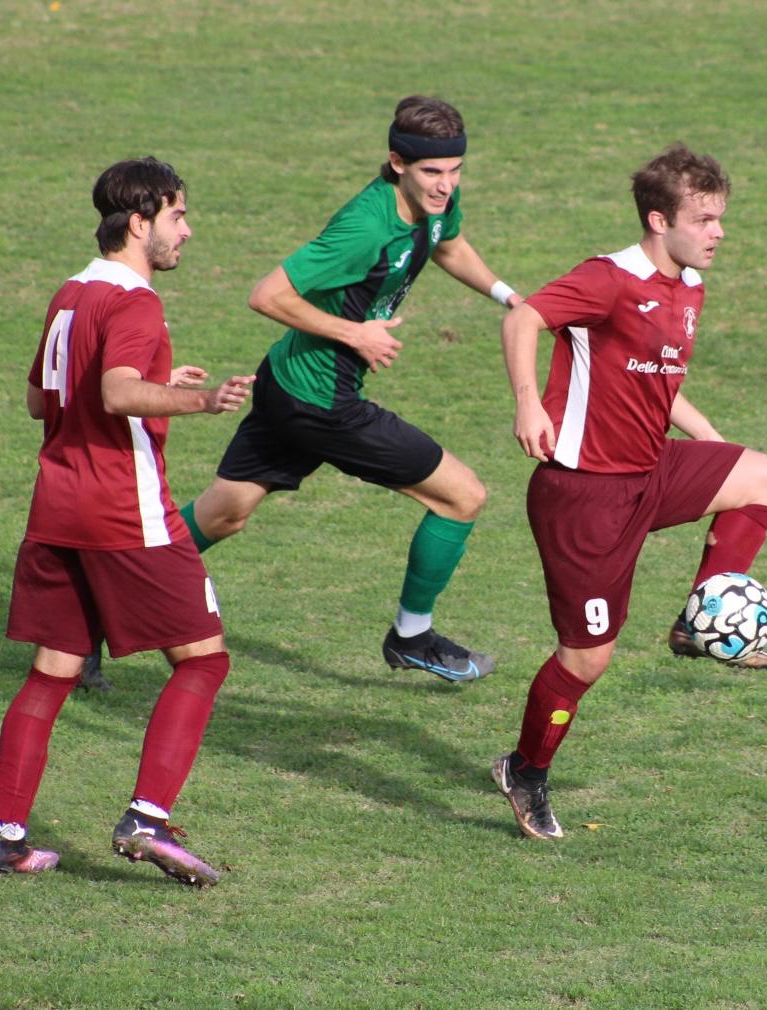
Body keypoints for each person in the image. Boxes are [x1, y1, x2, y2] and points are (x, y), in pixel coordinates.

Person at [491, 144, 767, 839]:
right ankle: (525, 769)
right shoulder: (609, 279)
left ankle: (698, 619)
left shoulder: (688, 286)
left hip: (646, 471)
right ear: (660, 219)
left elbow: (659, 376)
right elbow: (523, 318)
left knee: (761, 475)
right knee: (587, 657)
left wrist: (709, 438)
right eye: (704, 219)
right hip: (583, 495)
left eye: (720, 218)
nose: (717, 232)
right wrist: (529, 403)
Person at [174, 95, 522, 683]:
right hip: (322, 403)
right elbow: (267, 294)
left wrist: (509, 297)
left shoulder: (437, 202)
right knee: (462, 496)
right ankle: (412, 636)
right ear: (396, 163)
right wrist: (354, 334)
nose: (446, 184)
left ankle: (93, 605)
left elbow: (448, 244)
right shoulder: (364, 227)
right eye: (432, 172)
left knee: (224, 514)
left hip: (288, 384)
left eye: (456, 169)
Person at [0, 157, 255, 884]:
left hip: (56, 508)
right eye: (178, 217)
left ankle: (5, 838)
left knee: (52, 672)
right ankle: (147, 818)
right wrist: (201, 401)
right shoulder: (136, 301)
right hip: (124, 512)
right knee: (204, 659)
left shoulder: (72, 293)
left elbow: (42, 402)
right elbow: (119, 391)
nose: (186, 232)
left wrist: (163, 382)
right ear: (140, 222)